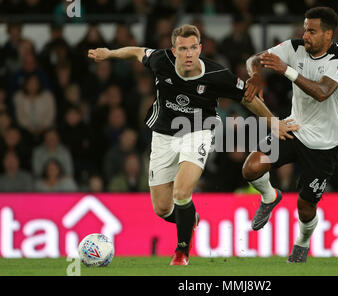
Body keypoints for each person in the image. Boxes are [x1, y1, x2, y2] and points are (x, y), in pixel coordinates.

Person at [88, 24, 298, 266]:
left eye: (192, 48)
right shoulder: (160, 60)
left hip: (198, 130)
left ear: (200, 48)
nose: (188, 54)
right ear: (174, 50)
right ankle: (190, 218)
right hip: (163, 135)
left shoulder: (217, 75)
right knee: (163, 209)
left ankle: (181, 253)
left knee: (181, 192)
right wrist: (110, 53)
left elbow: (248, 99)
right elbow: (137, 51)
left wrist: (273, 123)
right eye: (182, 48)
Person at [242, 7, 338, 263]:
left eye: (312, 31)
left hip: (325, 144)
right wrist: (256, 75)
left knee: (305, 208)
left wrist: (285, 70)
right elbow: (254, 59)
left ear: (328, 34)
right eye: (305, 29)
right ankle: (270, 197)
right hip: (294, 128)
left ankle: (302, 242)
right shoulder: (294, 47)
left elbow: (322, 92)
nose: (306, 35)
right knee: (251, 169)